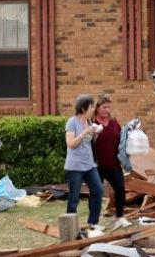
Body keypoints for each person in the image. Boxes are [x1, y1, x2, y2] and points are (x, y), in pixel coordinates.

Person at [64, 94, 104, 235]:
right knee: (74, 198)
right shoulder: (72, 122)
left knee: (98, 190)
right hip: (75, 166)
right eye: (91, 106)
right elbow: (71, 144)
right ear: (83, 107)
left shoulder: (89, 122)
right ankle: (69, 228)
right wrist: (86, 132)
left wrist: (96, 133)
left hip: (89, 164)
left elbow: (88, 143)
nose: (93, 109)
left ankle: (93, 223)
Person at [93, 95, 131, 230]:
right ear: (97, 108)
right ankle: (94, 222)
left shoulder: (114, 122)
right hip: (97, 165)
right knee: (96, 192)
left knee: (120, 188)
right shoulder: (92, 124)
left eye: (108, 107)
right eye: (104, 107)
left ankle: (120, 217)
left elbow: (122, 140)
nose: (107, 110)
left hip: (114, 163)